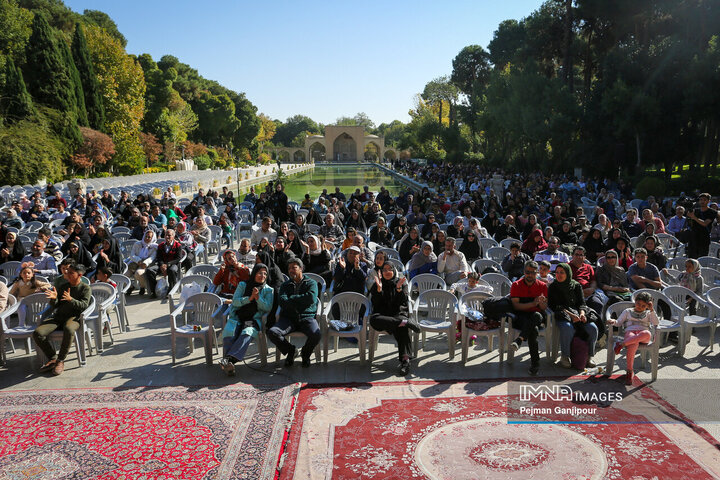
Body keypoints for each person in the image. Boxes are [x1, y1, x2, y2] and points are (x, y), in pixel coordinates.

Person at [32, 263, 92, 376]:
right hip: (58, 317)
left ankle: (61, 360)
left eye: (71, 273)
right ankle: (53, 358)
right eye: (67, 271)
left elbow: (84, 305)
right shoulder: (64, 286)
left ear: (79, 275)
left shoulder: (85, 288)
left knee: (69, 329)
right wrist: (54, 299)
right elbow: (56, 305)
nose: (67, 274)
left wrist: (71, 299)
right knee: (37, 333)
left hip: (74, 318)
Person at [219, 263, 274, 376]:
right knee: (229, 331)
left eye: (265, 274)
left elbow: (267, 307)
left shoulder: (268, 290)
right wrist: (249, 298)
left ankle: (228, 361)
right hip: (238, 316)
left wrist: (258, 298)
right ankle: (229, 364)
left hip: (253, 319)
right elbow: (235, 301)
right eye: (259, 273)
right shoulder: (243, 285)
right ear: (254, 273)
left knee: (246, 333)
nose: (262, 276)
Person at [267, 258, 321, 368]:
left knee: (316, 334)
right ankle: (291, 351)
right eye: (289, 268)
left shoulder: (311, 283)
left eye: (294, 268)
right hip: (288, 318)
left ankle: (305, 354)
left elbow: (310, 298)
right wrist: (300, 301)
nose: (291, 270)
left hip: (306, 317)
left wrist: (291, 299)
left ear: (301, 269)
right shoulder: (285, 285)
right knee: (272, 332)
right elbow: (282, 301)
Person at [369, 263, 420, 376]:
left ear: (394, 271)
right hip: (383, 316)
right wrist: (378, 290)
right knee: (373, 319)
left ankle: (405, 361)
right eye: (384, 270)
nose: (387, 272)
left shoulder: (401, 283)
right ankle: (404, 323)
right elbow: (375, 304)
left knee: (402, 329)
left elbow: (402, 303)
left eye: (389, 269)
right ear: (381, 273)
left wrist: (398, 289)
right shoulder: (377, 284)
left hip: (397, 314)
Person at [549, 263, 599, 369]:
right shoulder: (553, 286)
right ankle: (565, 356)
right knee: (568, 328)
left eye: (562, 272)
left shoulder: (576, 285)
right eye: (557, 272)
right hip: (562, 314)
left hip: (577, 312)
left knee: (592, 328)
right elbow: (554, 305)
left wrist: (582, 314)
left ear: (568, 273)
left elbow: (582, 303)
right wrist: (571, 315)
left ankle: (589, 356)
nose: (559, 275)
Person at [607, 291, 659, 385]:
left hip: (643, 336)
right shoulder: (627, 311)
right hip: (630, 333)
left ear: (647, 306)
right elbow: (619, 322)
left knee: (647, 333)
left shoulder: (648, 313)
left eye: (643, 306)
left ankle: (622, 344)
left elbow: (656, 323)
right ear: (635, 301)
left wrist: (651, 310)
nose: (640, 307)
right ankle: (629, 371)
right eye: (638, 304)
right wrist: (613, 321)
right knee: (633, 344)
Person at [509, 260, 548, 376]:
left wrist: (540, 303)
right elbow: (516, 306)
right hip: (521, 316)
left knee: (536, 315)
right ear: (524, 272)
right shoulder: (516, 285)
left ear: (537, 274)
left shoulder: (542, 286)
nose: (530, 275)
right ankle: (535, 363)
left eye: (533, 273)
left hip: (536, 315)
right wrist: (533, 304)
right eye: (527, 272)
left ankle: (519, 340)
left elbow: (544, 307)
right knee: (533, 330)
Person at [146, 228, 183, 298]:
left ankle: (170, 290)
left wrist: (168, 264)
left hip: (172, 264)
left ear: (173, 236)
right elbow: (159, 257)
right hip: (162, 264)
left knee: (171, 270)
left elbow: (178, 258)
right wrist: (162, 265)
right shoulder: (161, 245)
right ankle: (154, 291)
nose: (167, 237)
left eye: (169, 235)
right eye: (166, 235)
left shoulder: (178, 245)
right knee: (149, 270)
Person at [687, 193, 714, 259]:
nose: (702, 201)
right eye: (701, 200)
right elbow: (690, 223)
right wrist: (689, 216)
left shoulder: (712, 212)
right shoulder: (695, 211)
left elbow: (705, 223)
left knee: (702, 259)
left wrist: (694, 217)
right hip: (694, 239)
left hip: (704, 239)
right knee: (692, 259)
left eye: (704, 200)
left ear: (708, 201)